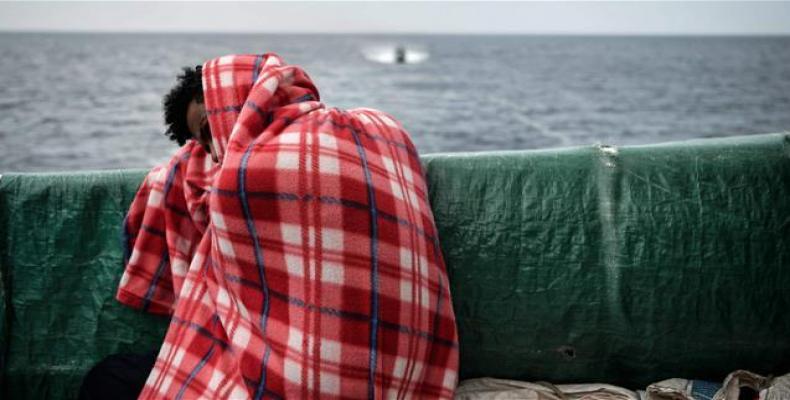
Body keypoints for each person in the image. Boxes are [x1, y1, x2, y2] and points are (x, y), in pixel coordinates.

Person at [84, 53, 459, 399]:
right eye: (201, 144)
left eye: (207, 129)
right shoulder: (383, 128)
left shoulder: (243, 176)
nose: (213, 152)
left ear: (238, 100)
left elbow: (216, 180)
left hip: (304, 383)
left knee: (108, 379)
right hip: (412, 372)